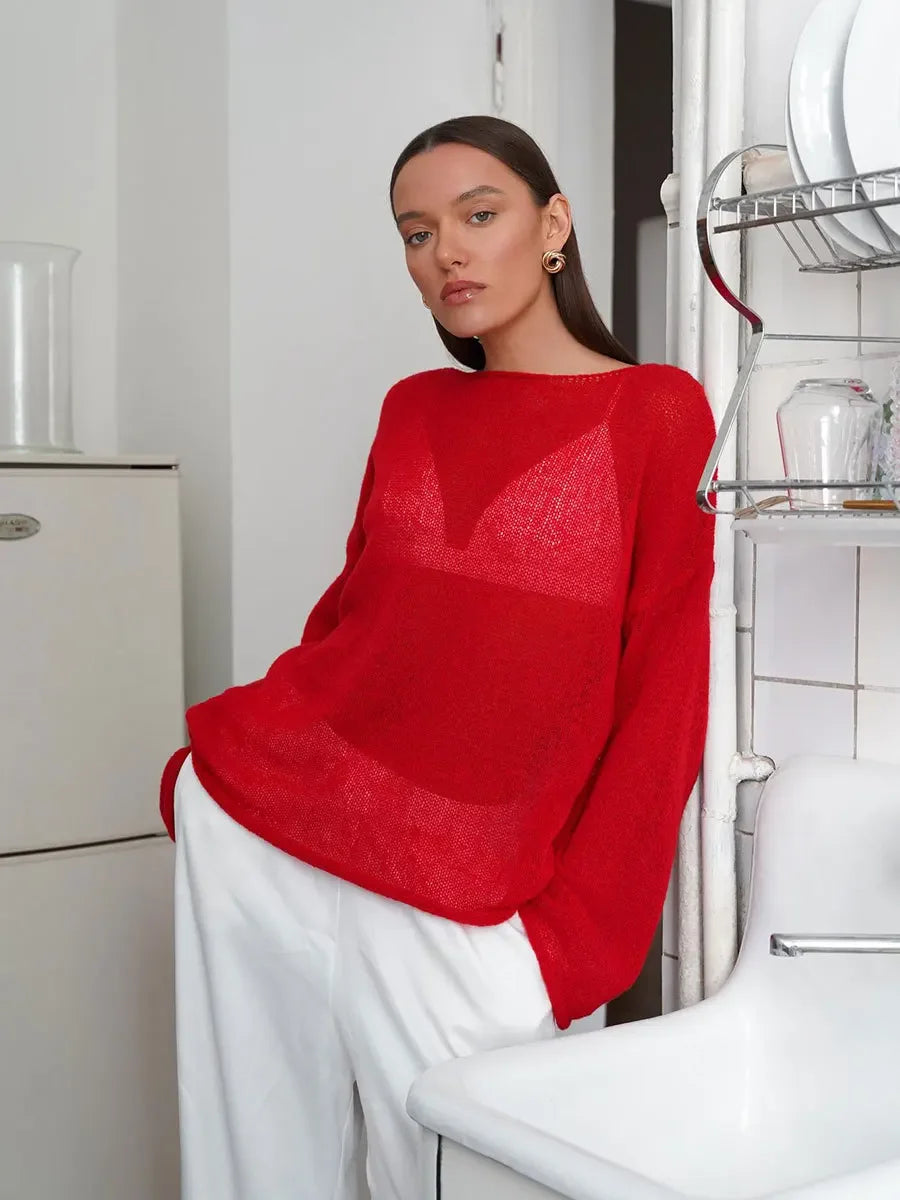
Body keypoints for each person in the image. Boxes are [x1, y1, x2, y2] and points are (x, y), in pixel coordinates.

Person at [160, 114, 716, 1200]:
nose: (446, 252)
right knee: (255, 1170)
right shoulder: (412, 408)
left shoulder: (657, 412)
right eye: (416, 234)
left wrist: (579, 945)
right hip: (285, 852)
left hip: (478, 913)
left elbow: (666, 692)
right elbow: (350, 634)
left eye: (479, 215)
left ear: (553, 226)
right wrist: (212, 778)